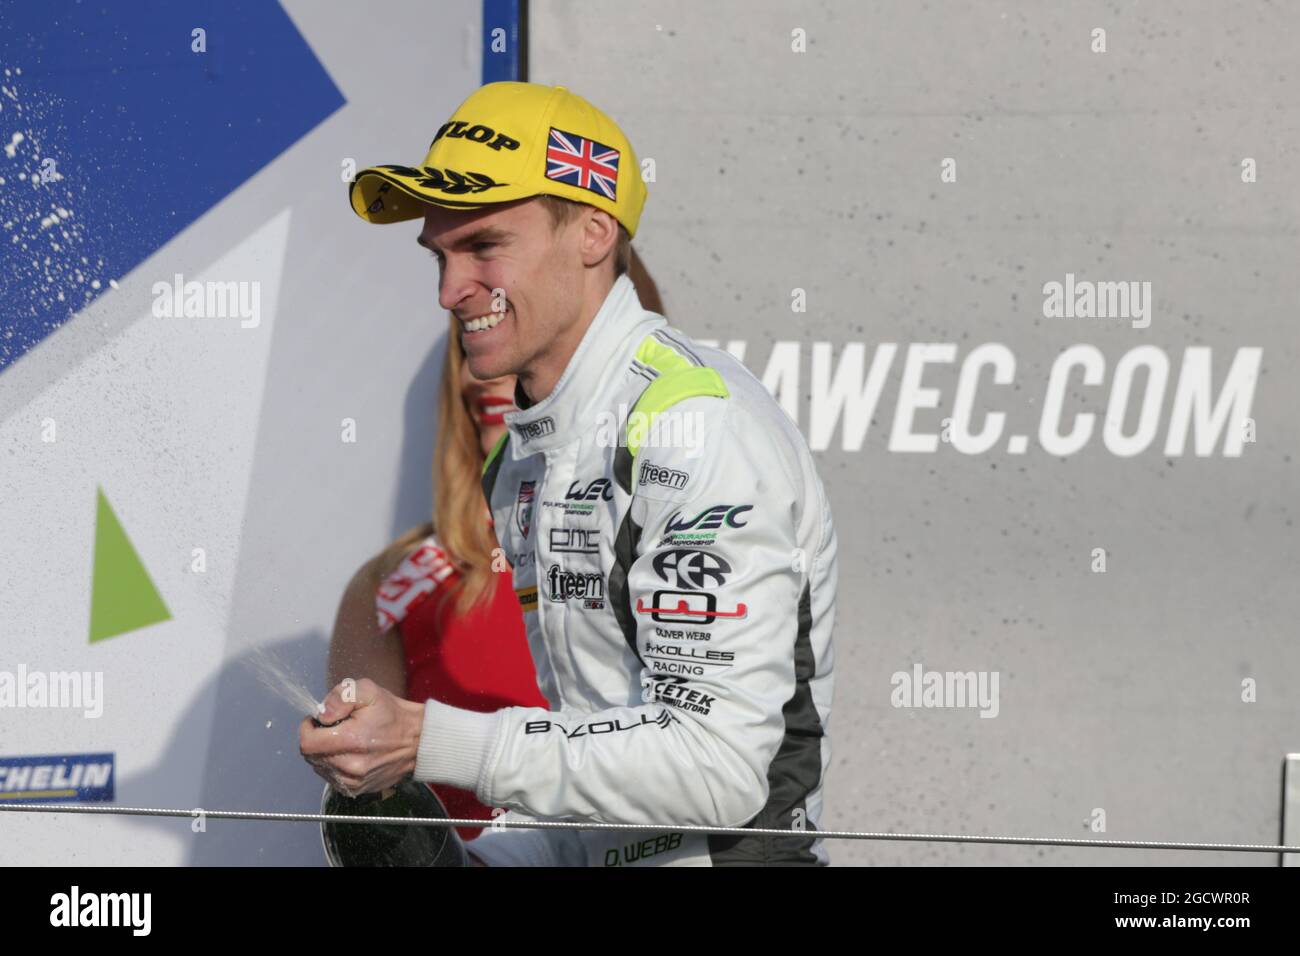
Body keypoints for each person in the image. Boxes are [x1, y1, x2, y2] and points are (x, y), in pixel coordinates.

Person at [301, 81, 838, 866]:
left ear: (592, 233)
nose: (450, 292)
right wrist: (474, 860)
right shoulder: (525, 460)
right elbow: (596, 750)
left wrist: (431, 739)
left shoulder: (694, 426)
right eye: (440, 256)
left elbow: (718, 768)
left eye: (484, 247)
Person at [323, 317, 547, 843]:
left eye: (518, 333)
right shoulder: (390, 585)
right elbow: (370, 815)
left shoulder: (642, 552)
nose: (483, 378)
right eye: (470, 346)